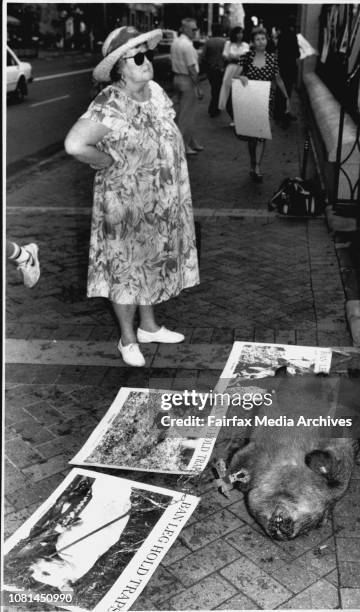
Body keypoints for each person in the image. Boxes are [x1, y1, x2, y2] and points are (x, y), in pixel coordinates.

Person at [64, 26, 200, 367]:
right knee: (126, 268)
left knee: (148, 261)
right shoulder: (110, 102)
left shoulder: (154, 91)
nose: (146, 61)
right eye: (136, 57)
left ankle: (149, 327)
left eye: (147, 54)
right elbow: (75, 144)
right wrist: (108, 161)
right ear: (118, 69)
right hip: (125, 203)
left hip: (158, 200)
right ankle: (127, 338)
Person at [234, 26, 290, 182]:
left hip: (266, 100)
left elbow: (278, 80)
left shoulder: (272, 58)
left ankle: (257, 166)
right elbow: (235, 75)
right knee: (252, 136)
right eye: (257, 39)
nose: (261, 42)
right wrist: (242, 78)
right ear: (252, 42)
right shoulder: (246, 57)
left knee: (261, 134)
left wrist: (287, 98)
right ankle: (253, 164)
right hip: (250, 98)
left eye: (263, 38)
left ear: (267, 40)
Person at [170, 18, 204, 155]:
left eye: (196, 29)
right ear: (184, 29)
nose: (195, 31)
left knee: (180, 114)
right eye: (193, 29)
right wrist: (199, 87)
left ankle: (191, 141)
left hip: (176, 78)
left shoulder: (176, 42)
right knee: (186, 116)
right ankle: (183, 147)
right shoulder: (187, 46)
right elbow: (192, 68)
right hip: (187, 80)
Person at [218, 26, 249, 125]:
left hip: (241, 71)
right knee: (228, 93)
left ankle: (240, 119)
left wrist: (234, 57)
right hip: (230, 70)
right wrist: (238, 57)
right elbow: (225, 57)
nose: (240, 35)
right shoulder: (228, 44)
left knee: (240, 94)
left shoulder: (245, 45)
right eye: (238, 33)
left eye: (241, 33)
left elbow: (246, 58)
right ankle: (233, 118)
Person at [275, 15, 300, 121]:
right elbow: (297, 53)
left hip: (282, 66)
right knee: (288, 90)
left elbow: (279, 53)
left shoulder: (281, 36)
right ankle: (285, 112)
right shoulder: (293, 36)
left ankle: (277, 112)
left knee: (280, 90)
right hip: (290, 67)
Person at [199, 23, 226, 117]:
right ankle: (214, 108)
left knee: (214, 88)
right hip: (222, 69)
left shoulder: (208, 42)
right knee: (218, 89)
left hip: (211, 69)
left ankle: (214, 108)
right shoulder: (225, 42)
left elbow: (203, 57)